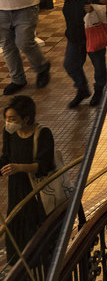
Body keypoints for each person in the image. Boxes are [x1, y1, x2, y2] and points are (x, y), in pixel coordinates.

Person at [1, 93, 54, 267]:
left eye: (12, 118)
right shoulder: (9, 133)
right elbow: (7, 157)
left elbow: (43, 165)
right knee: (15, 227)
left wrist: (19, 167)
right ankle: (18, 270)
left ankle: (40, 268)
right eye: (7, 118)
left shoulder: (43, 134)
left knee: (35, 229)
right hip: (16, 189)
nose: (8, 122)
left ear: (26, 118)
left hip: (35, 191)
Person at [0, 0, 50, 95]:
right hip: (1, 8)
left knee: (24, 42)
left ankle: (42, 67)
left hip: (26, 4)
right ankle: (18, 80)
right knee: (7, 46)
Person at [63, 0, 107, 109]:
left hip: (92, 35)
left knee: (98, 66)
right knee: (70, 64)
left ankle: (99, 90)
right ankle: (82, 89)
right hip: (74, 38)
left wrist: (94, 8)